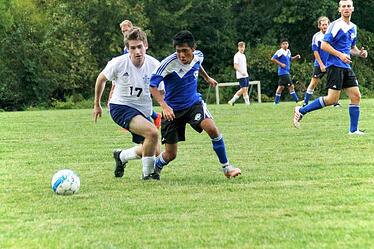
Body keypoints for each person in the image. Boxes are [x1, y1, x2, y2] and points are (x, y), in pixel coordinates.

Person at [149, 30, 241, 179]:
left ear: (193, 48)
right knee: (171, 154)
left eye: (185, 51)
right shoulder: (167, 63)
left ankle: (227, 168)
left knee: (212, 129)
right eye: (178, 51)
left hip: (193, 104)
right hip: (172, 111)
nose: (181, 55)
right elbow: (152, 86)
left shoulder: (198, 56)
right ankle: (157, 166)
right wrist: (164, 106)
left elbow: (198, 64)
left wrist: (207, 78)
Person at [93, 27, 160, 180]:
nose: (137, 51)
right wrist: (97, 104)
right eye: (133, 48)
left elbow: (161, 92)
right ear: (127, 49)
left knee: (153, 150)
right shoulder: (118, 63)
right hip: (120, 107)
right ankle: (148, 174)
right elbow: (101, 79)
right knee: (152, 133)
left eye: (140, 47)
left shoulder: (155, 65)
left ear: (146, 46)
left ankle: (121, 156)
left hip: (143, 111)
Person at [293, 0, 368, 135]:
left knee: (356, 96)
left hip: (345, 66)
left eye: (348, 6)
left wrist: (360, 53)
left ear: (353, 9)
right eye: (343, 6)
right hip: (335, 66)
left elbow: (351, 48)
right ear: (339, 9)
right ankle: (301, 110)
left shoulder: (353, 27)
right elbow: (324, 45)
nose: (346, 8)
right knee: (332, 99)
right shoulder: (335, 25)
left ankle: (353, 130)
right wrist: (340, 55)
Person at [108, 19, 162, 129]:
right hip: (125, 100)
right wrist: (112, 91)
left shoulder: (152, 62)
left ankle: (155, 117)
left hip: (139, 93)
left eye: (126, 30)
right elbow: (120, 73)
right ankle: (150, 117)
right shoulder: (125, 51)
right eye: (123, 32)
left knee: (152, 138)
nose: (125, 33)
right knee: (151, 136)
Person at [303, 16, 330, 106]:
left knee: (333, 82)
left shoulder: (332, 35)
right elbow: (315, 51)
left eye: (326, 24)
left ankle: (335, 102)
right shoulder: (316, 36)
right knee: (313, 83)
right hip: (319, 64)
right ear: (319, 26)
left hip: (331, 63)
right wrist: (321, 64)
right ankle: (305, 102)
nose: (325, 26)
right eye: (323, 25)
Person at [271, 38, 301, 104]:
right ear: (281, 45)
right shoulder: (280, 51)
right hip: (283, 72)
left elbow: (290, 59)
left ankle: (276, 102)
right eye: (283, 44)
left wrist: (296, 57)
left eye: (286, 44)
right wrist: (281, 64)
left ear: (288, 44)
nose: (285, 45)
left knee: (281, 87)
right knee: (291, 86)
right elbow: (273, 59)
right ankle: (297, 101)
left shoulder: (288, 51)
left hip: (286, 71)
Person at [228, 41, 250, 106]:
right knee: (244, 89)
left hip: (246, 74)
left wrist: (245, 72)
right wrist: (241, 72)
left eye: (243, 47)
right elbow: (235, 66)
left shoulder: (243, 55)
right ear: (238, 47)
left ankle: (232, 101)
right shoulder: (236, 56)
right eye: (240, 47)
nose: (242, 48)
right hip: (241, 75)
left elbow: (244, 64)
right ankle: (246, 104)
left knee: (245, 89)